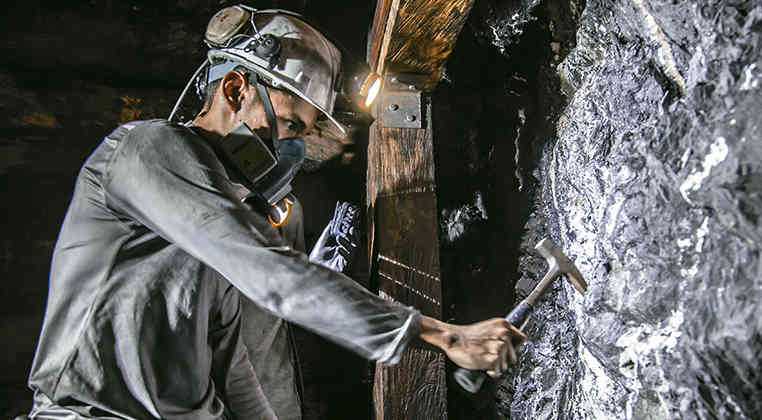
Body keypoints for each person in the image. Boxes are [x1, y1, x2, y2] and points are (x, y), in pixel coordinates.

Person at [23, 6, 525, 420]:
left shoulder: (231, 221)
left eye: (302, 132)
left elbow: (244, 363)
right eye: (289, 124)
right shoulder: (148, 149)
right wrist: (445, 335)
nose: (293, 148)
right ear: (235, 90)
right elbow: (273, 277)